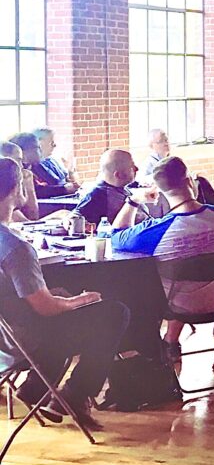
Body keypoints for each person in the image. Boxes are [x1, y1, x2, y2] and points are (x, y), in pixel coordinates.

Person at [0, 157, 128, 430]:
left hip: (6, 334)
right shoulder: (15, 248)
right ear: (13, 191)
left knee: (66, 298)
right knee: (113, 313)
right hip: (22, 341)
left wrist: (62, 298)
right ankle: (76, 394)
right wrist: (82, 299)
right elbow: (46, 309)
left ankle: (37, 385)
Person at [109, 156, 214, 363]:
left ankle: (165, 343)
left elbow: (115, 236)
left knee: (160, 283)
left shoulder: (156, 231)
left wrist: (134, 200)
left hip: (177, 306)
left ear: (160, 191)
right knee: (191, 278)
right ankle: (176, 338)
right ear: (189, 180)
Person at [140, 129, 214, 219]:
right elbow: (144, 179)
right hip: (170, 193)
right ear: (152, 146)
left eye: (166, 139)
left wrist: (192, 175)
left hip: (181, 188)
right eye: (161, 141)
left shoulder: (169, 159)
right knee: (200, 186)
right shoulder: (149, 162)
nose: (166, 143)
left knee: (201, 182)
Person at [69, 150, 166, 226]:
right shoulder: (99, 195)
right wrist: (69, 220)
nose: (137, 169)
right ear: (118, 175)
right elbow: (76, 217)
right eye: (132, 167)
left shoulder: (123, 188)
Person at [9, 132, 76, 199]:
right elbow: (37, 192)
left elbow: (55, 182)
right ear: (24, 152)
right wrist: (64, 189)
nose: (40, 150)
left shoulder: (38, 166)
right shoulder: (16, 171)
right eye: (37, 147)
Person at [0, 141, 39, 221]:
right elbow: (29, 220)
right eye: (18, 160)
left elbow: (32, 215)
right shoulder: (5, 197)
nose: (21, 166)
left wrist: (29, 185)